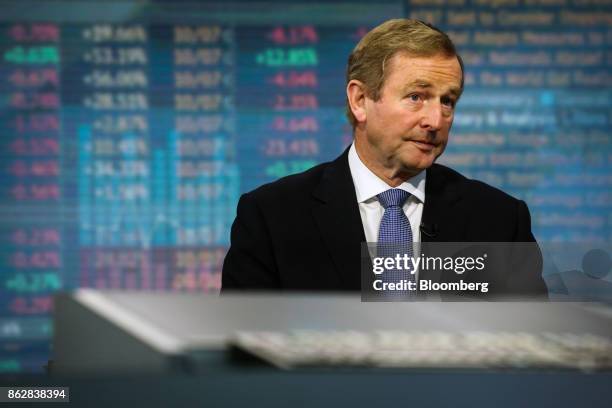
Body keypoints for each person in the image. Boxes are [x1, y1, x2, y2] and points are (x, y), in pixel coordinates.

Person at [221, 19, 547, 296]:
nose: (435, 120)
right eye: (416, 97)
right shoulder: (272, 216)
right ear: (360, 100)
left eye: (447, 101)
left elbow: (533, 349)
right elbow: (241, 349)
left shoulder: (499, 220)